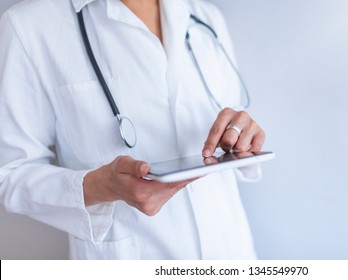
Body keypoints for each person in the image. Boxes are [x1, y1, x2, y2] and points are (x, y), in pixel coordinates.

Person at [0, 0, 266, 259]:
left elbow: (232, 126)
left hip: (232, 252)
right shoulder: (29, 27)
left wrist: (242, 135)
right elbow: (10, 175)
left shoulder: (205, 16)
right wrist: (101, 186)